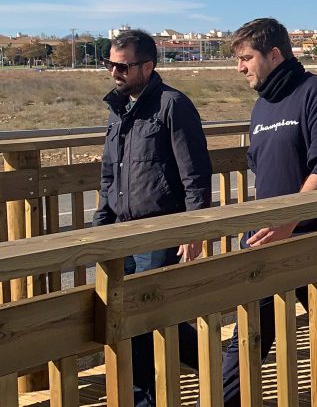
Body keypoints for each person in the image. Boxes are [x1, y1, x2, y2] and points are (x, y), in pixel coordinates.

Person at [220, 18, 317, 406]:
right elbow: (263, 168)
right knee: (248, 333)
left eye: (247, 58)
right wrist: (269, 223)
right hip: (268, 239)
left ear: (274, 54)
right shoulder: (261, 108)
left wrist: (292, 218)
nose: (240, 67)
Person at [95, 29, 211, 407]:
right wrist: (100, 228)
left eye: (122, 65)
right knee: (136, 320)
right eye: (110, 63)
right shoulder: (118, 110)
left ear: (147, 66)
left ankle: (217, 368)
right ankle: (209, 368)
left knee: (150, 317)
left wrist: (194, 229)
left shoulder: (172, 106)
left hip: (160, 230)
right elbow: (109, 174)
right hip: (121, 233)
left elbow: (195, 174)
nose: (114, 71)